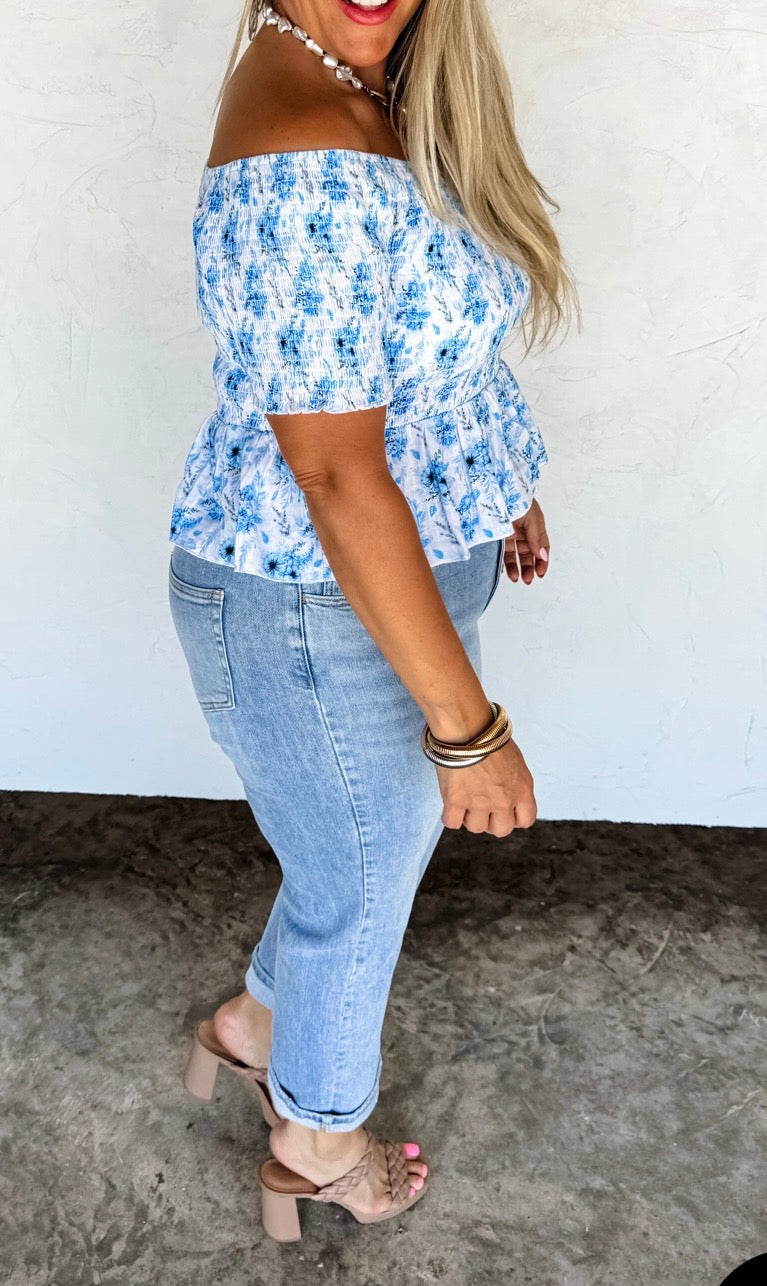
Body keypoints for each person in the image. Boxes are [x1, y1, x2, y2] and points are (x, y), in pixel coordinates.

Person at [167, 0, 577, 1242]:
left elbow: (416, 347)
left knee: (359, 855)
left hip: (378, 577)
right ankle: (316, 1142)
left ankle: (254, 1026)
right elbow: (336, 471)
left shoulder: (380, 85)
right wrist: (468, 729)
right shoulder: (302, 149)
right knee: (360, 874)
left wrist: (494, 482)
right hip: (306, 601)